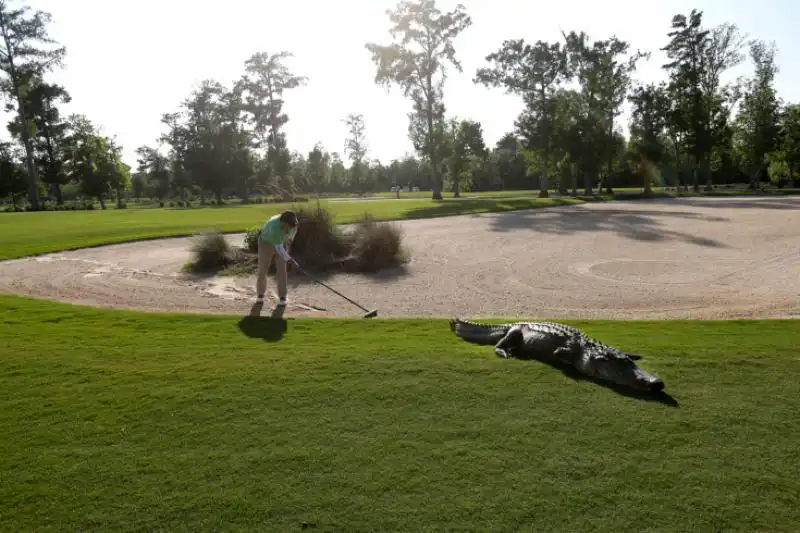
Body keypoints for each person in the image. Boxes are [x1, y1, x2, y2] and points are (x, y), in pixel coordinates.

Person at [256, 210, 299, 305]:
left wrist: (287, 255)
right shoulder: (274, 226)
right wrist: (290, 260)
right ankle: (260, 295)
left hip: (281, 243)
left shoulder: (294, 225)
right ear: (283, 222)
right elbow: (278, 247)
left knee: (282, 270)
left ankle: (282, 297)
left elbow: (288, 241)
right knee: (263, 270)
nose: (290, 227)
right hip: (266, 243)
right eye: (288, 225)